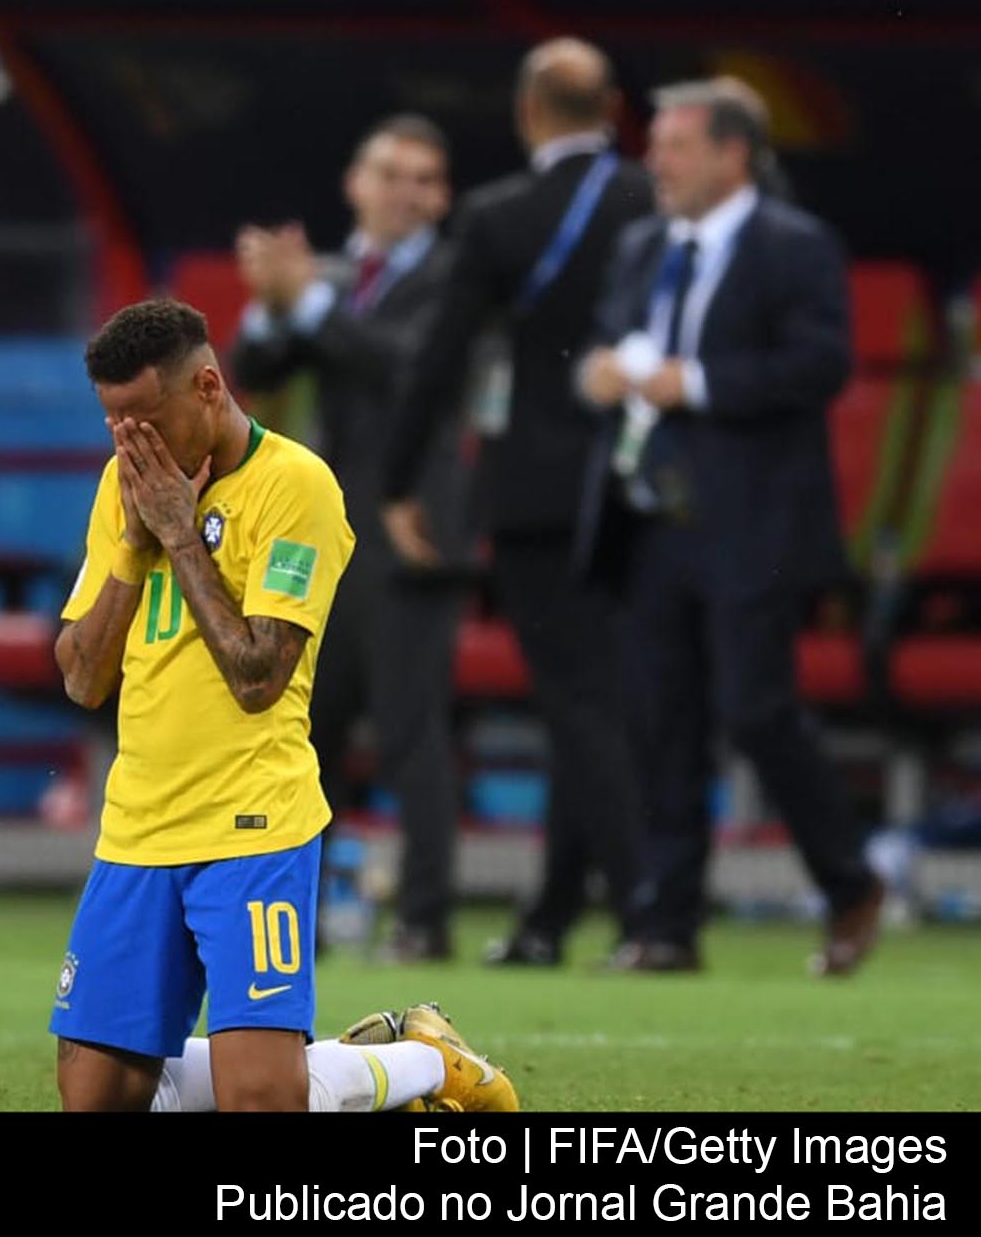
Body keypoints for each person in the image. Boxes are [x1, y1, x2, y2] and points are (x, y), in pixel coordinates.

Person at [575, 80, 882, 977]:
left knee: (756, 711)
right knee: (660, 720)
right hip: (648, 520)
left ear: (732, 153)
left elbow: (821, 363)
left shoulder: (797, 245)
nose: (655, 163)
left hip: (750, 523)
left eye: (674, 146)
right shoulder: (640, 247)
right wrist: (598, 373)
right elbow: (608, 343)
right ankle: (667, 924)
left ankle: (850, 881)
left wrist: (696, 382)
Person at [378, 38, 656, 969]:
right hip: (639, 481)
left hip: (536, 491)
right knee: (599, 698)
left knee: (577, 705)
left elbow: (440, 360)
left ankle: (646, 908)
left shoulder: (498, 217)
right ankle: (549, 917)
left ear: (529, 111)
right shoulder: (649, 197)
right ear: (612, 106)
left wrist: (396, 482)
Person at [48, 298, 366, 1112]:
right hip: (139, 826)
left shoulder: (296, 486)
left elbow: (258, 677)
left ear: (208, 388)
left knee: (259, 1101)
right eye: (113, 422)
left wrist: (182, 536)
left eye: (144, 418)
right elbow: (82, 678)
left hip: (253, 824)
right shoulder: (125, 491)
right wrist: (135, 541)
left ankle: (414, 1065)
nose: (129, 442)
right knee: (94, 1100)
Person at [229, 117, 467, 962]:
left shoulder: (452, 276)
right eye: (392, 173)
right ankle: (298, 923)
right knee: (302, 734)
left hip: (414, 529)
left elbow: (404, 363)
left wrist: (311, 302)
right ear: (355, 184)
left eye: (426, 178)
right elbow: (252, 374)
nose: (409, 192)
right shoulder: (328, 281)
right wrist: (271, 303)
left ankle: (425, 921)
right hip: (322, 541)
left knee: (412, 731)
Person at [155, 1002, 514, 1113]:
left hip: (243, 832)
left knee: (269, 1101)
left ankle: (433, 1061)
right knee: (119, 1091)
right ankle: (356, 1067)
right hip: (132, 837)